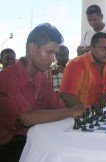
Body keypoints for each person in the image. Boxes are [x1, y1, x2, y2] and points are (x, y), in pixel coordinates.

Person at [0, 23, 88, 162]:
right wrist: (72, 112)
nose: (53, 59)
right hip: (7, 147)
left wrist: (77, 113)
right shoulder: (7, 78)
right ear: (32, 48)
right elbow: (26, 118)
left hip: (33, 141)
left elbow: (59, 108)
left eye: (54, 54)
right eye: (49, 52)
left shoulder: (41, 78)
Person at [60, 32, 106, 108]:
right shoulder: (76, 64)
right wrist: (86, 113)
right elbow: (66, 95)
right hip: (80, 116)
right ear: (92, 48)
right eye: (103, 48)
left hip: (105, 114)